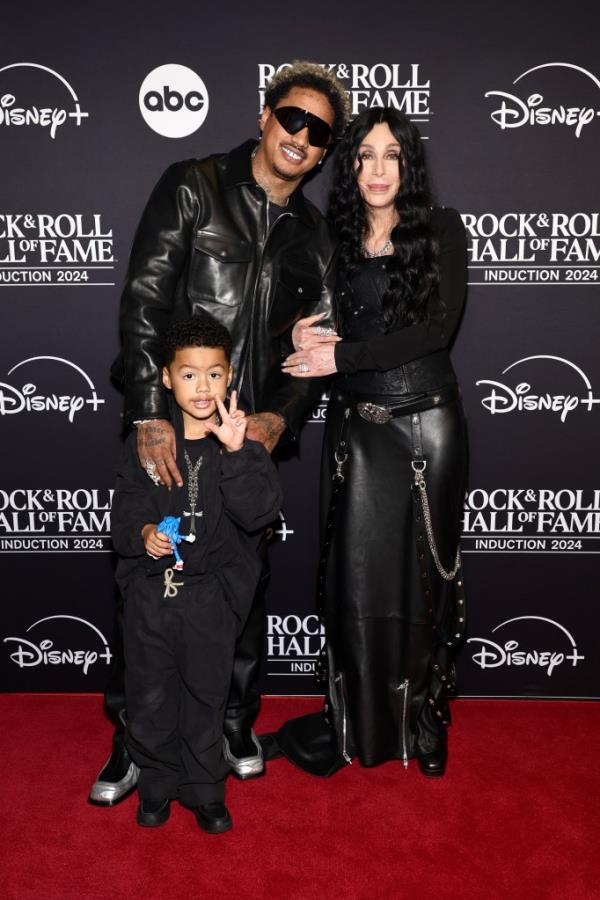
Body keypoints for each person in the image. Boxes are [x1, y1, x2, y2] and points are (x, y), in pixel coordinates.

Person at [89, 60, 350, 805]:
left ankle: (232, 722)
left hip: (242, 442)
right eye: (292, 119)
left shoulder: (316, 236)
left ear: (327, 151)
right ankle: (133, 740)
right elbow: (145, 302)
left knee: (239, 588)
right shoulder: (193, 185)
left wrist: (280, 416)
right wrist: (148, 411)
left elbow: (316, 350)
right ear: (265, 116)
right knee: (147, 587)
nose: (302, 137)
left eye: (319, 132)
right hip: (167, 433)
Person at [272, 107, 468, 776]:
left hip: (425, 428)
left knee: (424, 583)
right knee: (355, 584)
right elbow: (317, 322)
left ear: (409, 165)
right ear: (349, 166)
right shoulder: (335, 237)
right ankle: (353, 717)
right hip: (357, 431)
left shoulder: (441, 230)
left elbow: (433, 332)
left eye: (392, 156)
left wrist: (341, 356)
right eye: (365, 156)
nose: (378, 170)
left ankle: (425, 716)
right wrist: (304, 335)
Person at [111, 315, 282, 832]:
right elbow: (124, 511)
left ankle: (206, 789)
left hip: (211, 601)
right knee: (151, 697)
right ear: (165, 378)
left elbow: (259, 514)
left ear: (230, 376)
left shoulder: (242, 444)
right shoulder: (147, 445)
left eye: (214, 374)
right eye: (188, 375)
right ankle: (158, 785)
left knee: (208, 698)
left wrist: (237, 452)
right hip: (150, 600)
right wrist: (143, 535)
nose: (202, 387)